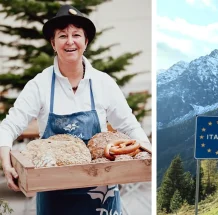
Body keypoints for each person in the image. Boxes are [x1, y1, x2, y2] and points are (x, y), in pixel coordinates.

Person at [0, 4, 150, 215]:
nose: (70, 41)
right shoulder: (40, 84)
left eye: (76, 35)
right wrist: (6, 164)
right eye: (62, 35)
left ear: (85, 42)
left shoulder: (103, 83)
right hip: (54, 192)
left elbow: (129, 125)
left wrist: (148, 151)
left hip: (102, 193)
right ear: (53, 43)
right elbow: (8, 126)